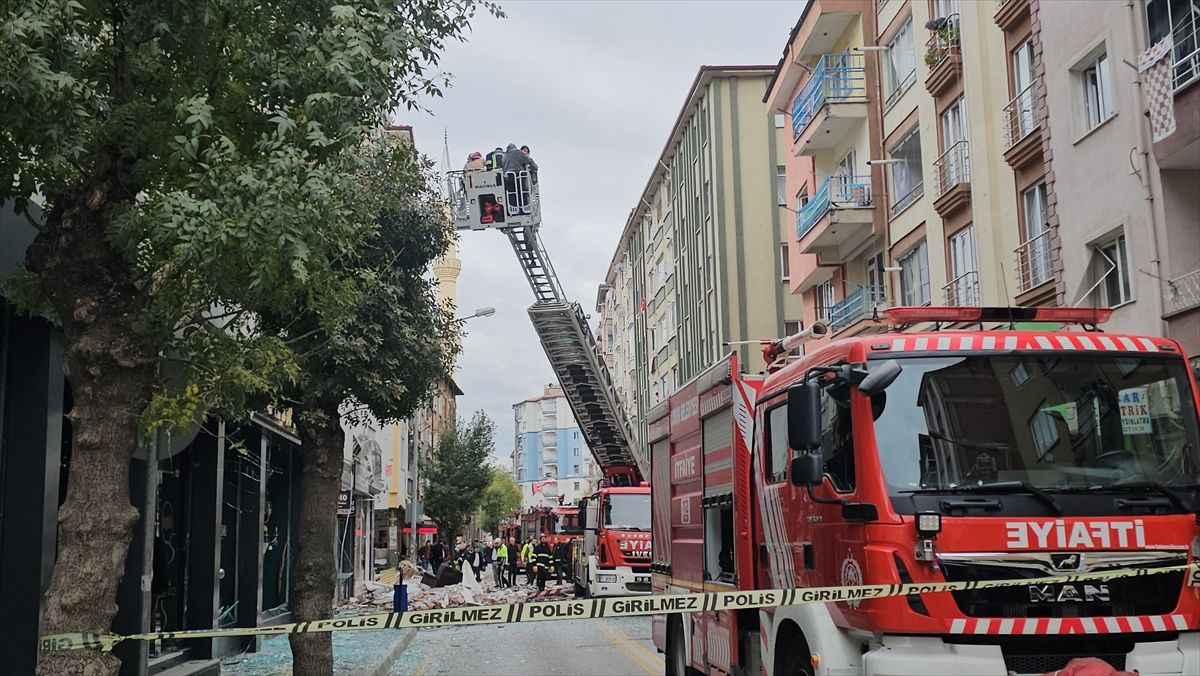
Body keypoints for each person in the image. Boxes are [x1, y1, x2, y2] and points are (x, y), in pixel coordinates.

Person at [500, 143, 538, 214]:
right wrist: (535, 167)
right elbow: (528, 160)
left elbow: (503, 167)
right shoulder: (519, 153)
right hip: (520, 177)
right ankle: (524, 209)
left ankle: (513, 210)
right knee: (522, 193)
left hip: (509, 177)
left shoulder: (504, 156)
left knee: (512, 194)